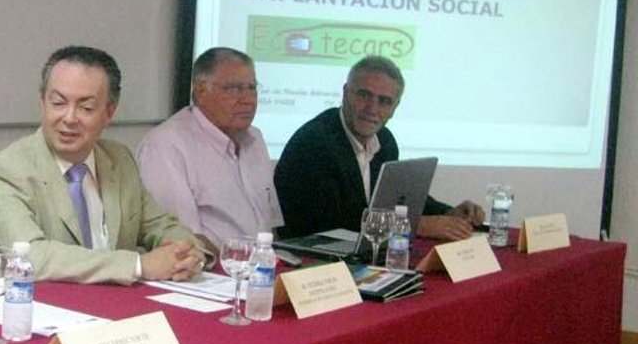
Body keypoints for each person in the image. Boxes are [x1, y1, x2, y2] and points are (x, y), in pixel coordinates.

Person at [0, 46, 210, 284]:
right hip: (31, 304)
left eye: (86, 108)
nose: (69, 118)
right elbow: (30, 257)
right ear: (43, 102)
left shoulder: (119, 159)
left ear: (109, 113)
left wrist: (187, 252)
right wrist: (138, 265)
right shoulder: (5, 171)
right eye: (58, 103)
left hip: (112, 303)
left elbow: (160, 225)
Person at [274, 55, 485, 240]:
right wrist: (414, 225)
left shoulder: (385, 140)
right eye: (364, 95)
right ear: (346, 93)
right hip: (309, 255)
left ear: (395, 107)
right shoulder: (314, 142)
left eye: (384, 101)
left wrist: (449, 213)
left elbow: (397, 198)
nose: (372, 108)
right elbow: (334, 220)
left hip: (355, 253)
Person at [137, 48, 282, 252]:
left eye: (252, 88)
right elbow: (183, 241)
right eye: (235, 89)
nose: (248, 99)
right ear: (201, 91)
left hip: (264, 263)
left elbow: (270, 227)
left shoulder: (254, 138)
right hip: (211, 267)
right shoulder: (166, 146)